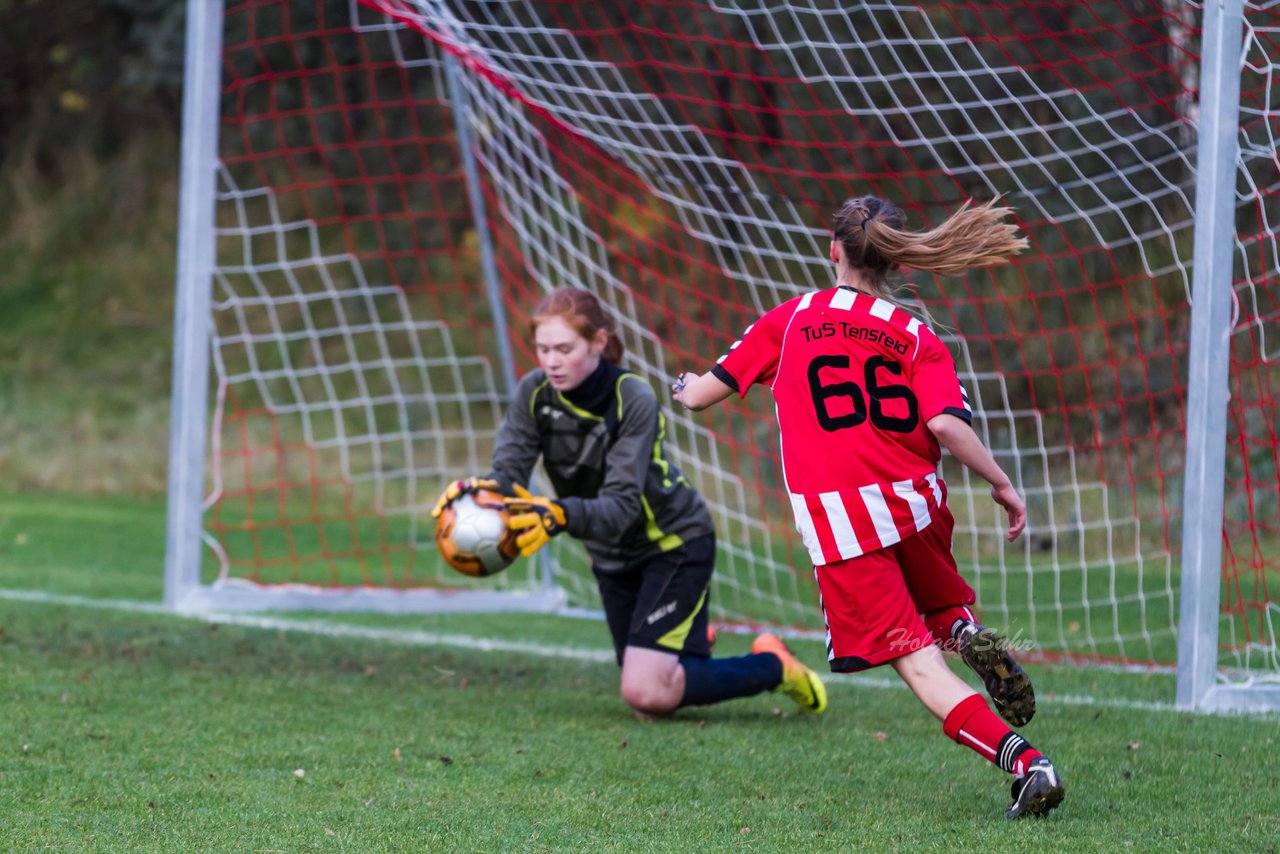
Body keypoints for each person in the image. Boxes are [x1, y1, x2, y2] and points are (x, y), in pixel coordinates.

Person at [672, 196, 1065, 819]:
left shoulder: (792, 319)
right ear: (895, 263)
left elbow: (698, 398)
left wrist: (683, 385)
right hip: (916, 503)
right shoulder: (916, 335)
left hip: (842, 518)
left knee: (916, 664)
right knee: (935, 611)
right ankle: (961, 628)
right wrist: (1001, 483)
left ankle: (1026, 764)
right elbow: (945, 425)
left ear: (834, 250)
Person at [431, 287, 827, 720]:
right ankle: (685, 641)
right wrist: (483, 492)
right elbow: (509, 467)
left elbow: (619, 506)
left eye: (565, 348)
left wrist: (559, 514)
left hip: (673, 544)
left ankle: (773, 665)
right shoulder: (534, 392)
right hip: (610, 554)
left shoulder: (631, 398)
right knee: (655, 699)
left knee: (646, 693)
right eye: (543, 349)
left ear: (599, 342)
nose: (552, 361)